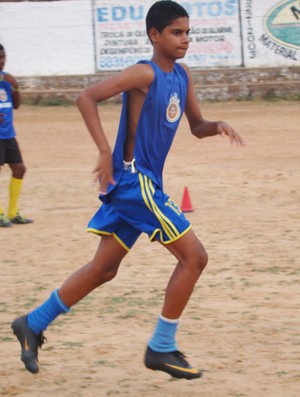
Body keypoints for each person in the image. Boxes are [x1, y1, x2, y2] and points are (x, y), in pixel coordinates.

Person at [11, 0, 245, 379]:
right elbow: (85, 97)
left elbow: (196, 125)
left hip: (145, 185)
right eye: (176, 32)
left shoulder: (182, 76)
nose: (185, 39)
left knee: (104, 269)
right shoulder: (143, 73)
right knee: (194, 258)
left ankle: (33, 323)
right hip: (134, 182)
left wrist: (218, 124)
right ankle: (162, 347)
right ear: (155, 35)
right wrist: (105, 151)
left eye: (188, 32)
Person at [0, 43, 33, 227]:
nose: (2, 61)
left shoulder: (6, 80)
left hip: (8, 134)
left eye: (3, 57)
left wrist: (16, 87)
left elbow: (16, 105)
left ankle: (12, 213)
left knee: (19, 169)